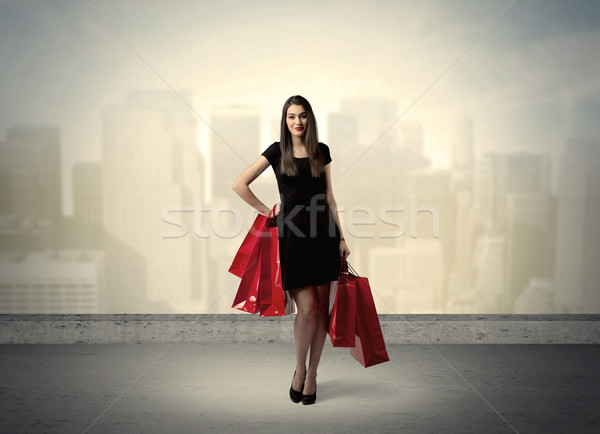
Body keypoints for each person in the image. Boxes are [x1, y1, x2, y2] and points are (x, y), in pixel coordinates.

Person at [232, 95, 350, 405]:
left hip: (324, 234)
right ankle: (299, 371)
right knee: (307, 309)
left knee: (323, 310)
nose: (297, 121)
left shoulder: (320, 151)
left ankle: (313, 374)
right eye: (291, 117)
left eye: (302, 116)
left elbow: (330, 198)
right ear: (285, 121)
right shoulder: (276, 150)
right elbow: (239, 184)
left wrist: (341, 238)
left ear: (309, 119)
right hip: (293, 237)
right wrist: (267, 210)